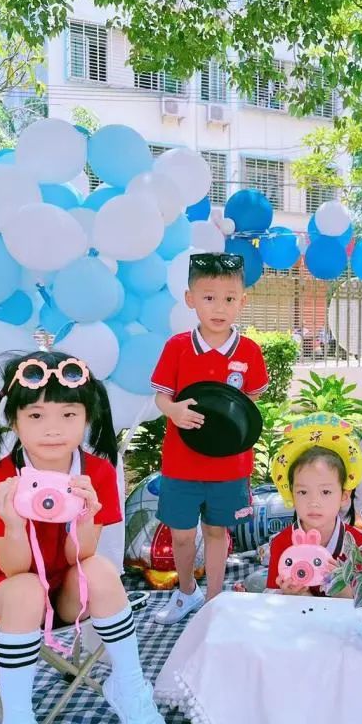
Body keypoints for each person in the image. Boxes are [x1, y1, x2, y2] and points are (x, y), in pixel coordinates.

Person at [0, 351, 168, 724]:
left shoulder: (97, 473)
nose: (53, 428)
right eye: (35, 415)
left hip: (66, 585)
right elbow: (13, 568)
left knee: (102, 570)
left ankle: (129, 686)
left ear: (87, 418)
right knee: (27, 589)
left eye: (68, 414)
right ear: (14, 421)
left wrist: (88, 514)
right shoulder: (2, 479)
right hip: (10, 588)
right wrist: (13, 523)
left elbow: (85, 554)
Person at [151, 252, 268, 624]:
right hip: (181, 463)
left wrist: (232, 426)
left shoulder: (249, 351)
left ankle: (215, 600)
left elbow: (249, 405)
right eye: (209, 297)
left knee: (217, 530)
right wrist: (174, 411)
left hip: (229, 466)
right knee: (182, 535)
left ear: (242, 301)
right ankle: (187, 593)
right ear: (191, 299)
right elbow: (161, 397)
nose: (219, 307)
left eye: (229, 298)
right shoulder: (177, 347)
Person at [266, 418, 362, 596]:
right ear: (292, 495)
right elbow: (272, 595)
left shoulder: (358, 543)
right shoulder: (282, 542)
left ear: (344, 496)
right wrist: (290, 594)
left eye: (325, 492)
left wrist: (343, 590)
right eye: (303, 492)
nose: (313, 502)